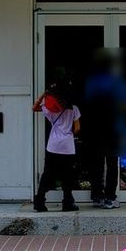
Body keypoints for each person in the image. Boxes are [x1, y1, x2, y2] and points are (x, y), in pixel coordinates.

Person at [81, 49, 126, 209]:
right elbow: (123, 106)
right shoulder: (118, 83)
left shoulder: (92, 82)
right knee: (112, 164)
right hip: (113, 128)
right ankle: (110, 197)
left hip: (95, 129)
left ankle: (97, 195)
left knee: (96, 163)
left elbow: (87, 104)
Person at [32, 81, 81, 212]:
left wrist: (44, 94)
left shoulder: (50, 108)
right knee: (67, 175)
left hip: (53, 146)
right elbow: (77, 129)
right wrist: (69, 131)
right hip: (68, 147)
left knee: (47, 173)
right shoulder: (74, 108)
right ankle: (68, 202)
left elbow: (35, 107)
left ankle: (39, 201)